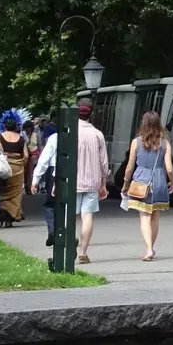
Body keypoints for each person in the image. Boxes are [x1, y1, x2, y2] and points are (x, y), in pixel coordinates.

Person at [120, 110, 173, 261]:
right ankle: (151, 247)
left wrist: (125, 183)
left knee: (144, 217)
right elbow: (169, 168)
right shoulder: (165, 143)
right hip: (159, 180)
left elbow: (129, 167)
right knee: (155, 217)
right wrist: (172, 182)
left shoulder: (136, 142)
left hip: (141, 181)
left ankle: (149, 249)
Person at [72, 101, 111, 262]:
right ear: (91, 114)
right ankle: (83, 252)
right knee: (87, 216)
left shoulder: (70, 132)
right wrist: (103, 183)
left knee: (70, 215)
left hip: (72, 181)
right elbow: (104, 163)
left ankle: (69, 244)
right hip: (92, 181)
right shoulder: (97, 134)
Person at [0, 110, 28, 226]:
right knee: (15, 194)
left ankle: (2, 214)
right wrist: (21, 164)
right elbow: (26, 155)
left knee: (2, 192)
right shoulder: (21, 139)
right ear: (16, 127)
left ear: (4, 126)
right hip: (17, 168)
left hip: (3, 167)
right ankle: (10, 218)